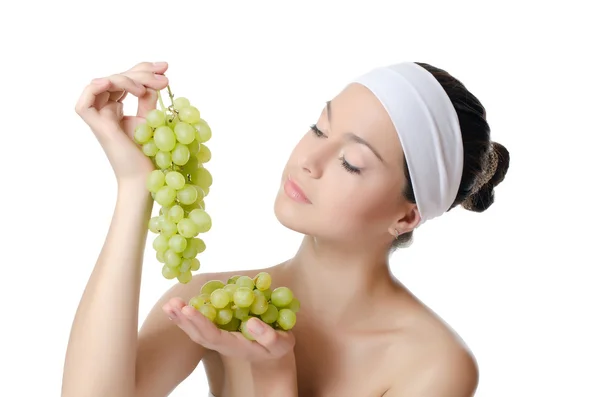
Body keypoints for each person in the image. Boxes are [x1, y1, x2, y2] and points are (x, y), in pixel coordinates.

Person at [61, 60, 510, 397]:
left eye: (351, 163)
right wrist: (136, 186)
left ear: (406, 217)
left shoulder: (434, 364)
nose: (307, 162)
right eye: (318, 129)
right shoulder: (212, 302)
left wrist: (273, 374)